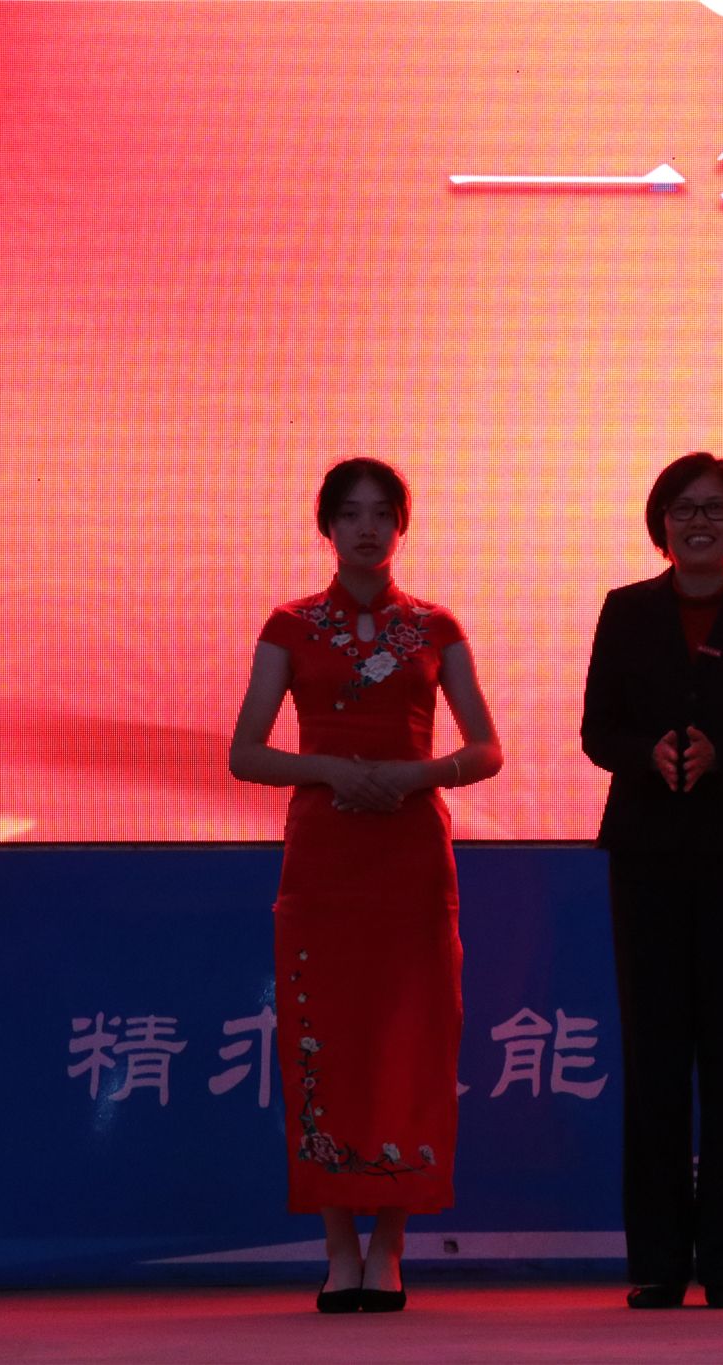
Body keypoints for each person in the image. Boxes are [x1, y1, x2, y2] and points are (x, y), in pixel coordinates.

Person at [229, 457, 504, 1314]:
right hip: (325, 860)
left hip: (412, 860)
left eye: (382, 513)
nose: (366, 529)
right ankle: (338, 1247)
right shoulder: (289, 625)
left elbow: (487, 748)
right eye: (350, 514)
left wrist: (419, 774)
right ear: (327, 525)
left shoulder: (435, 627)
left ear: (401, 525)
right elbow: (245, 752)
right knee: (328, 1041)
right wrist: (331, 770)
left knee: (407, 1042)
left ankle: (389, 1245)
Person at [580, 453, 723, 1310]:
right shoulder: (626, 609)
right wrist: (646, 751)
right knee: (653, 1060)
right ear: (662, 522)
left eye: (716, 508)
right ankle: (656, 1262)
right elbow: (597, 730)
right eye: (683, 508)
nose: (700, 522)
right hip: (646, 854)